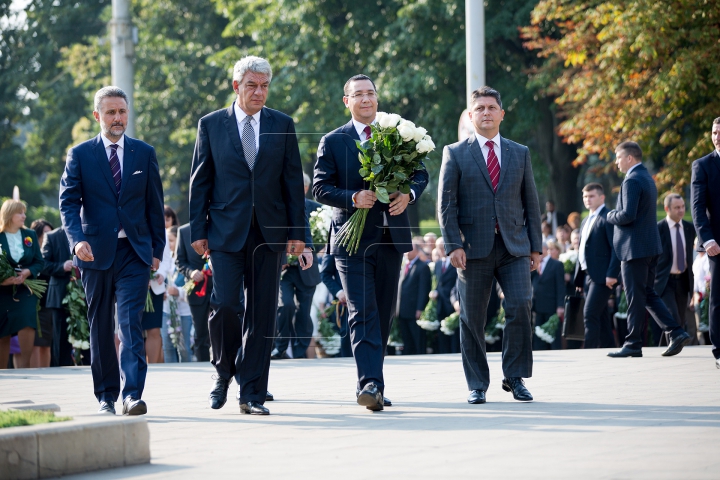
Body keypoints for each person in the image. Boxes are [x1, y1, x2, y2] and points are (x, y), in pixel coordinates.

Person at [189, 56, 308, 416]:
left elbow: (292, 182)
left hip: (269, 234)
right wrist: (197, 230)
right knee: (226, 305)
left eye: (265, 86)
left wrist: (298, 232)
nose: (259, 92)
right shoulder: (211, 125)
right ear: (235, 86)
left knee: (263, 315)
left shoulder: (282, 124)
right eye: (252, 85)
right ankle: (224, 372)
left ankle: (252, 393)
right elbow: (200, 181)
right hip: (225, 232)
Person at [313, 73, 428, 411]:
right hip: (350, 241)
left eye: (371, 93)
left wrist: (409, 193)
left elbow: (420, 173)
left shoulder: (396, 135)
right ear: (346, 101)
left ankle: (374, 382)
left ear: (377, 99)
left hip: (390, 239)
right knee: (361, 310)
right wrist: (353, 197)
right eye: (358, 94)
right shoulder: (333, 141)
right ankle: (369, 383)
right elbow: (321, 188)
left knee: (382, 313)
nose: (366, 99)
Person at [59, 86, 165, 415]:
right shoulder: (80, 154)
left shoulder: (143, 153)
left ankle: (132, 395)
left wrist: (156, 249)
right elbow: (67, 202)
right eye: (110, 112)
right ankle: (106, 396)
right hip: (94, 253)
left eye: (122, 111)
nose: (117, 118)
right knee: (101, 326)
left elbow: (155, 206)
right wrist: (76, 240)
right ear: (97, 116)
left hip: (134, 253)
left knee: (130, 323)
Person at [438, 86, 542, 404]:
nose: (486, 112)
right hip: (472, 249)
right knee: (472, 318)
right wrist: (453, 244)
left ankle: (515, 377)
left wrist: (536, 247)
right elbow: (446, 205)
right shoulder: (455, 153)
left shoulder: (519, 152)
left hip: (514, 247)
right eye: (479, 108)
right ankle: (477, 384)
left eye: (491, 107)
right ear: (471, 116)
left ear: (501, 113)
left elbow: (532, 203)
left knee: (521, 305)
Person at [606, 141, 691, 358]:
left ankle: (633, 343)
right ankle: (676, 331)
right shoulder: (647, 178)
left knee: (635, 295)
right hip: (649, 247)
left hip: (635, 248)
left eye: (618, 157)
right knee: (647, 293)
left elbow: (627, 215)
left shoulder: (632, 180)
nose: (616, 162)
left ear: (629, 158)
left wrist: (609, 215)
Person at [272, 172, 322, 360]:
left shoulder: (318, 210)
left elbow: (326, 235)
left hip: (306, 269)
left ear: (306, 188)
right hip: (284, 269)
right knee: (285, 306)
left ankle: (300, 351)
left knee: (304, 312)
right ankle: (280, 347)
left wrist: (316, 245)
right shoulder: (279, 207)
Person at [573, 183, 620, 348]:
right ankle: (609, 349)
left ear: (602, 197)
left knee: (590, 314)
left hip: (603, 277)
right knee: (601, 317)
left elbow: (616, 248)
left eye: (591, 196)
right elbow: (582, 251)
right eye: (585, 196)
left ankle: (589, 354)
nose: (588, 199)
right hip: (587, 276)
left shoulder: (608, 217)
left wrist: (612, 274)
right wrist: (579, 280)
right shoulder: (586, 220)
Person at [0, 200, 45, 369]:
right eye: (20, 213)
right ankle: (2, 372)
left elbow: (39, 262)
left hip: (26, 288)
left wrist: (27, 272)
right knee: (3, 332)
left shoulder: (30, 235)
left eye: (24, 212)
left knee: (27, 321)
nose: (24, 216)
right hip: (2, 292)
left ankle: (24, 369)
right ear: (9, 215)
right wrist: (3, 280)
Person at [690, 117, 720, 368]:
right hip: (716, 244)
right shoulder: (702, 165)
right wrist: (706, 238)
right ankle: (719, 350)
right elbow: (697, 208)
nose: (716, 136)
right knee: (718, 297)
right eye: (714, 132)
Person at [653, 193, 695, 346]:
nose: (681, 210)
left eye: (683, 207)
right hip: (665, 281)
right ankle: (668, 347)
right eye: (677, 207)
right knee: (672, 317)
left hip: (683, 280)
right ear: (667, 209)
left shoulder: (689, 228)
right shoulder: (658, 228)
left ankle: (665, 348)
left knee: (680, 319)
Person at [175, 222, 212, 362]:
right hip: (197, 289)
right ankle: (203, 363)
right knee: (200, 333)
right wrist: (191, 272)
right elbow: (179, 261)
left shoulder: (218, 225)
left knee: (224, 328)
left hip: (219, 286)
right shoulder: (183, 231)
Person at [41, 225, 75, 366]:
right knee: (60, 338)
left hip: (85, 294)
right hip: (59, 295)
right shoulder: (52, 236)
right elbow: (42, 264)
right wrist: (62, 266)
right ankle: (60, 367)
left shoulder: (89, 231)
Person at [161, 226, 193, 362]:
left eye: (172, 241)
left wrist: (178, 292)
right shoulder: (165, 262)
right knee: (167, 347)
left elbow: (192, 286)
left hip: (184, 312)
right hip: (166, 310)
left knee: (184, 348)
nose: (169, 244)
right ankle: (169, 376)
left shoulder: (185, 262)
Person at [396, 237, 432, 355]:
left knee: (417, 339)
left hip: (414, 310)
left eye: (409, 249)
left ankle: (420, 355)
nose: (407, 252)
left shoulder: (422, 267)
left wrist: (420, 308)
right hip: (402, 310)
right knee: (406, 339)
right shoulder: (402, 266)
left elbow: (423, 290)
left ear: (417, 250)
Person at [532, 241, 565, 350]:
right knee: (538, 336)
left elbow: (561, 287)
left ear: (546, 249)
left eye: (541, 249)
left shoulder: (556, 264)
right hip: (537, 307)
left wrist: (560, 306)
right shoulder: (533, 265)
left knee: (553, 337)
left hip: (551, 306)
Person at [30, 219, 54, 368]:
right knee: (34, 344)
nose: (48, 236)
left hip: (48, 302)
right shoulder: (30, 253)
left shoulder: (51, 252)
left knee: (46, 343)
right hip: (32, 302)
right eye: (45, 233)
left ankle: (46, 370)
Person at [319, 253, 352, 358]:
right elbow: (325, 274)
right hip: (345, 303)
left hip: (368, 299)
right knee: (347, 336)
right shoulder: (333, 241)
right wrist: (339, 293)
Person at [434, 236, 459, 354]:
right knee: (442, 332)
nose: (441, 250)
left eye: (443, 247)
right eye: (438, 248)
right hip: (440, 303)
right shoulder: (438, 263)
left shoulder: (456, 261)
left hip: (453, 303)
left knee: (454, 332)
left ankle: (455, 353)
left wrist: (457, 300)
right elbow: (437, 282)